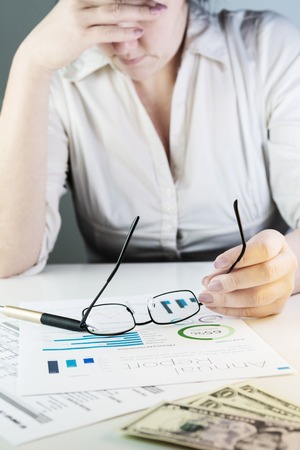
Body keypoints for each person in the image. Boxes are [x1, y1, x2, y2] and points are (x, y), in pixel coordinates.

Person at [0, 0, 299, 319]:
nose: (125, 43)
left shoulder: (269, 47)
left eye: (148, 9)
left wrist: (284, 267)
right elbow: (7, 258)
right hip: (115, 318)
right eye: (104, 15)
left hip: (248, 322)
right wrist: (31, 64)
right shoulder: (60, 75)